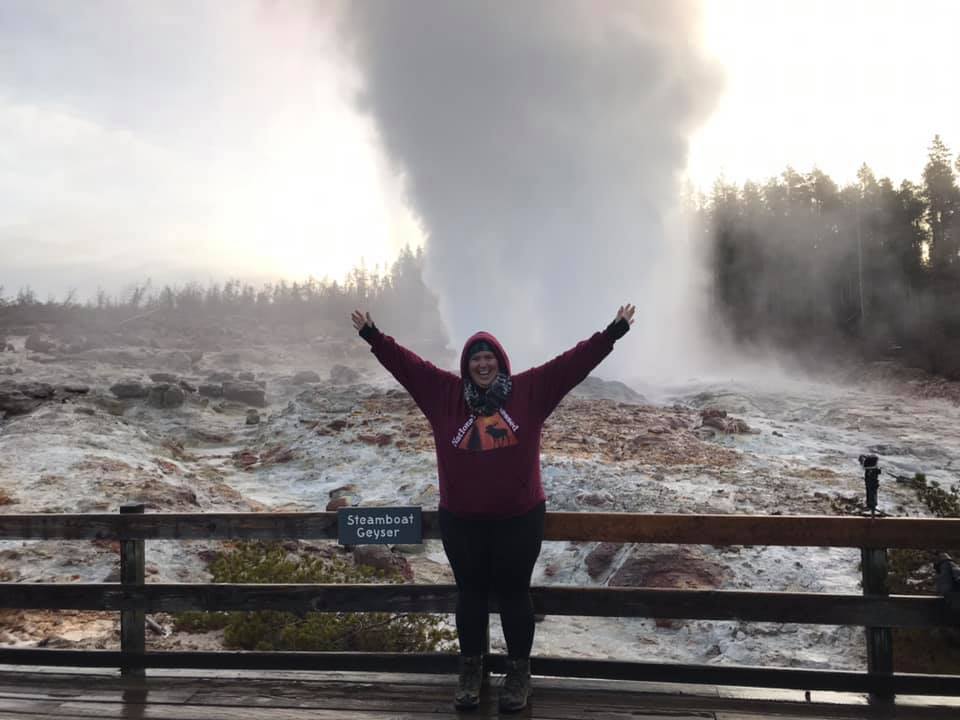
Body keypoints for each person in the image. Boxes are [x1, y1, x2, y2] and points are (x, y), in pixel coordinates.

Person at [351, 304, 635, 713]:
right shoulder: (443, 394)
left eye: (490, 358)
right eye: (476, 358)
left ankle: (519, 673)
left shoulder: (530, 392)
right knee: (469, 596)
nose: (483, 364)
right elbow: (408, 366)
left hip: (518, 518)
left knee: (515, 594)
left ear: (501, 363)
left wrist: (611, 333)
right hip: (461, 519)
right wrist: (375, 337)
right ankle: (472, 671)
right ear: (467, 366)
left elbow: (571, 365)